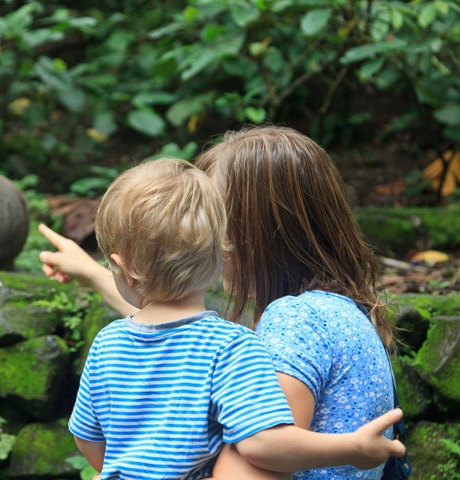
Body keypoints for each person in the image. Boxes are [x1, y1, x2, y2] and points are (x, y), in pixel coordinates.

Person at [39, 126, 401, 479]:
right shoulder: (328, 311)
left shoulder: (297, 322)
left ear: (256, 225)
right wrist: (90, 270)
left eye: (208, 216)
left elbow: (259, 446)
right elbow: (173, 332)